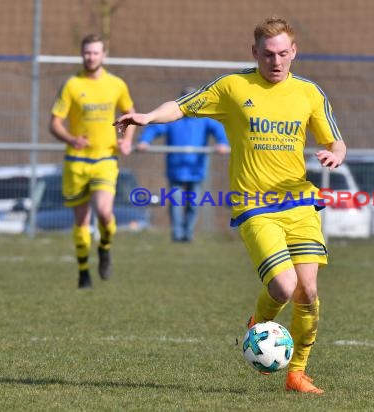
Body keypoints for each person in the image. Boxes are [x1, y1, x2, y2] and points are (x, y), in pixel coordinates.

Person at [114, 17, 346, 394]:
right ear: (254, 53)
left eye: (283, 53)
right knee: (284, 287)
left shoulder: (309, 93)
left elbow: (336, 140)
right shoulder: (233, 87)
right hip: (255, 205)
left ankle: (297, 374)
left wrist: (335, 155)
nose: (276, 61)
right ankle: (260, 322)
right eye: (268, 54)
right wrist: (147, 118)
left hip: (300, 201)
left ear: (294, 52)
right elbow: (182, 107)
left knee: (309, 292)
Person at [49, 34, 136, 289]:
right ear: (81, 54)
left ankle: (105, 247)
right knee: (81, 221)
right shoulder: (72, 85)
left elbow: (129, 114)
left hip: (105, 158)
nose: (91, 57)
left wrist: (127, 140)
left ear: (104, 55)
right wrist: (71, 138)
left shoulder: (116, 84)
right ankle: (84, 271)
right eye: (87, 53)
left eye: (96, 53)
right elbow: (54, 123)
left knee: (104, 212)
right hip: (76, 162)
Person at [137, 89, 230, 242]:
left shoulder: (204, 118)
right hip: (176, 169)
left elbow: (219, 131)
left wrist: (223, 143)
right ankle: (177, 234)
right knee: (175, 203)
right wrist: (144, 141)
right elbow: (155, 128)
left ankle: (188, 233)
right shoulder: (173, 119)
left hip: (196, 169)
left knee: (193, 204)